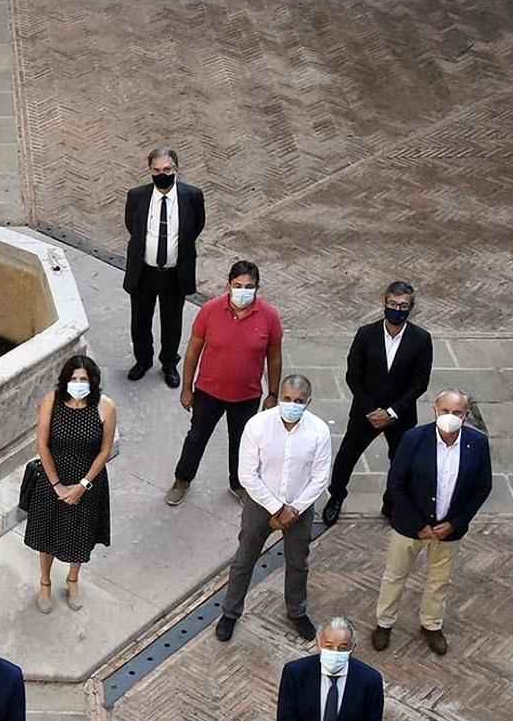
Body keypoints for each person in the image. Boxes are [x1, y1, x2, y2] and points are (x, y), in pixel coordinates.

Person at [372, 390, 492, 656]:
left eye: (457, 412)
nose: (451, 417)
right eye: (446, 411)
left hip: (448, 529)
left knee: (440, 580)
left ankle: (431, 624)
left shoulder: (478, 443)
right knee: (395, 575)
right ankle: (385, 622)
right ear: (435, 411)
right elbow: (396, 484)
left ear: (466, 415)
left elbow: (483, 487)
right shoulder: (414, 439)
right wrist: (417, 523)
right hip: (410, 527)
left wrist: (456, 523)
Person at [215, 375, 332, 644]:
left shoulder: (319, 431)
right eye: (287, 399)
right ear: (279, 398)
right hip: (260, 504)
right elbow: (247, 475)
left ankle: (297, 611)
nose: (292, 405)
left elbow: (320, 478)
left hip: (299, 508)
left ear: (308, 402)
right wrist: (277, 508)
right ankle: (230, 612)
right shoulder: (257, 426)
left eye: (299, 401)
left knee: (298, 562)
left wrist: (294, 509)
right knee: (244, 559)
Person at [168, 259, 283, 507]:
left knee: (242, 443)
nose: (243, 291)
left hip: (247, 396)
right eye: (238, 285)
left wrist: (273, 393)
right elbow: (192, 352)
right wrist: (187, 389)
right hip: (208, 392)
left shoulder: (270, 317)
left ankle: (238, 484)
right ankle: (182, 479)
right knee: (196, 437)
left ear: (257, 287)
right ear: (228, 285)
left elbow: (274, 357)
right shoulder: (210, 310)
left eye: (249, 286)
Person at [323, 282, 433, 526]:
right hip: (366, 412)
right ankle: (336, 496)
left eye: (403, 306)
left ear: (411, 308)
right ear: (384, 303)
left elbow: (420, 383)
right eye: (393, 304)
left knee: (402, 461)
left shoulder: (421, 340)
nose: (397, 309)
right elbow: (353, 375)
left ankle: (391, 503)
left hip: (400, 414)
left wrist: (392, 412)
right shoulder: (366, 334)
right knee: (347, 457)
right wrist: (371, 410)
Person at [24, 354, 115, 613]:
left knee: (80, 535)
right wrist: (57, 485)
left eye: (83, 379)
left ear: (92, 381)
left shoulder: (105, 407)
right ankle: (45, 581)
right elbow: (42, 444)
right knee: (47, 533)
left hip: (88, 480)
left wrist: (82, 485)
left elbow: (104, 451)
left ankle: (73, 580)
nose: (78, 383)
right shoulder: (53, 401)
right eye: (73, 378)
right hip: (54, 477)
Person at [122, 147, 206, 387]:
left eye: (167, 169)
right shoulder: (137, 196)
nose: (162, 174)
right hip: (144, 272)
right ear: (150, 171)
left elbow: (196, 226)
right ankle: (143, 361)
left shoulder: (192, 196)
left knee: (172, 323)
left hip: (174, 274)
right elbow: (133, 228)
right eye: (156, 170)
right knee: (140, 321)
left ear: (176, 169)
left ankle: (169, 364)